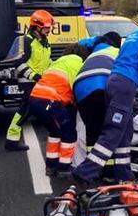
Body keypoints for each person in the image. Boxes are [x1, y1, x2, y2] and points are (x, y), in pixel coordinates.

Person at [72, 12, 138, 183]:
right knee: (114, 130)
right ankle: (85, 172)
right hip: (124, 84)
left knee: (125, 130)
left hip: (113, 81)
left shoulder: (134, 35)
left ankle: (124, 174)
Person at [25, 43, 91, 175]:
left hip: (35, 99)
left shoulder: (58, 62)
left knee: (55, 132)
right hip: (51, 101)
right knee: (69, 134)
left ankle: (51, 165)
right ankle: (64, 167)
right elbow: (76, 88)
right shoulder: (77, 64)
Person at [5, 9, 53, 151]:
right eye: (46, 28)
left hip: (40, 82)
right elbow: (18, 63)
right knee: (26, 110)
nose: (48, 31)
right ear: (37, 27)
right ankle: (11, 140)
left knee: (41, 108)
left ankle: (12, 140)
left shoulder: (44, 42)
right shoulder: (27, 41)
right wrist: (35, 76)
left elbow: (46, 61)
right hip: (29, 83)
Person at [73, 32, 122, 149]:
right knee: (109, 129)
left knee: (92, 130)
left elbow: (81, 43)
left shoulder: (94, 51)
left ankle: (92, 163)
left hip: (80, 87)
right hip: (100, 88)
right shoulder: (117, 53)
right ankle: (106, 164)